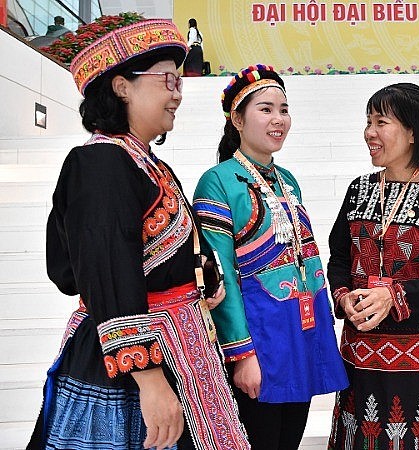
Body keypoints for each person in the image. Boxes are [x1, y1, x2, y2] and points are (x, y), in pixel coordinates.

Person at [28, 19, 249, 450]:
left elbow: (158, 251)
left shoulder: (147, 163)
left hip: (180, 346)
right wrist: (148, 379)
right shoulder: (101, 164)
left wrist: (202, 276)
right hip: (136, 364)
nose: (177, 94)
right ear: (121, 87)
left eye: (179, 82)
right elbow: (100, 269)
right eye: (167, 79)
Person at [193, 64, 349, 449]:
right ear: (237, 118)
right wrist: (243, 353)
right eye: (266, 109)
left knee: (288, 440)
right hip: (259, 340)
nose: (279, 119)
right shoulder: (218, 181)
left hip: (300, 331)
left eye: (284, 109)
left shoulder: (288, 179)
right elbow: (220, 273)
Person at [327, 83, 419, 450]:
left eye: (381, 122)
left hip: (414, 353)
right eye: (368, 121)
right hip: (358, 348)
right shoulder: (359, 189)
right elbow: (339, 256)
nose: (369, 132)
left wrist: (395, 295)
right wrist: (343, 298)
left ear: (412, 131)